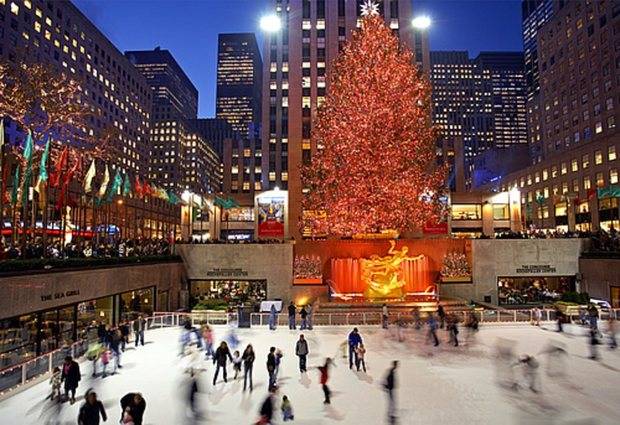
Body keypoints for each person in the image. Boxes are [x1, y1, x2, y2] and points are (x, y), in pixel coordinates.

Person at [384, 361, 398, 425]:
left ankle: (390, 413)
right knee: (391, 402)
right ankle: (390, 414)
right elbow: (387, 379)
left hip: (390, 389)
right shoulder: (391, 372)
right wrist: (388, 386)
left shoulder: (392, 371)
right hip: (390, 389)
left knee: (392, 402)